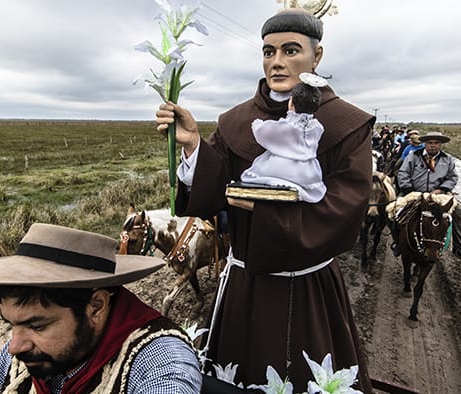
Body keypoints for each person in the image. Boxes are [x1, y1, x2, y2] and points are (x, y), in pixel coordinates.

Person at [155, 7, 374, 392]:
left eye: (291, 51)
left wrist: (268, 211)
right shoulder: (236, 121)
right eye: (268, 51)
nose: (276, 62)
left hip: (308, 289)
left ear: (316, 56)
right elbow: (215, 184)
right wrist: (192, 146)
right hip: (244, 282)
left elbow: (346, 207)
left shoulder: (346, 124)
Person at [0, 223, 202, 393]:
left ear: (95, 306)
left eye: (36, 325)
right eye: (10, 324)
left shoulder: (158, 362)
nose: (14, 346)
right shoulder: (15, 358)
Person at [240, 73, 328, 203]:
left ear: (291, 102)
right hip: (308, 172)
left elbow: (266, 132)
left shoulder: (288, 125)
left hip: (284, 168)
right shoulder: (316, 126)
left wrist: (257, 124)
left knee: (263, 173)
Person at [391, 131, 461, 259]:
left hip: (439, 194)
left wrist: (442, 189)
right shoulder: (414, 156)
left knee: (458, 212)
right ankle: (398, 242)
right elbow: (403, 173)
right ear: (425, 144)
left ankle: (460, 245)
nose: (433, 146)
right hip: (414, 192)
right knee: (395, 210)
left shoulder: (447, 159)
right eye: (430, 143)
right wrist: (408, 189)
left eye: (436, 143)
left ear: (440, 145)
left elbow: (452, 177)